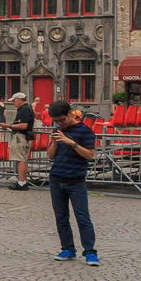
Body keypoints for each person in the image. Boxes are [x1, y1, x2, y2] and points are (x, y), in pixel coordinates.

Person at [46, 100, 99, 265]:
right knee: (61, 217)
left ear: (70, 114)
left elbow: (90, 155)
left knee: (82, 217)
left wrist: (71, 143)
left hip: (76, 181)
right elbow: (50, 155)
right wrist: (55, 141)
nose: (60, 123)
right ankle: (68, 248)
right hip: (56, 178)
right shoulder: (58, 130)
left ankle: (90, 252)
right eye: (56, 121)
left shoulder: (85, 131)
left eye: (62, 119)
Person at [1, 91, 36, 190]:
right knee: (22, 160)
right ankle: (22, 181)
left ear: (20, 100)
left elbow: (24, 125)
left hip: (21, 137)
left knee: (21, 160)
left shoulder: (24, 109)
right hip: (24, 137)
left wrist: (8, 125)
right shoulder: (26, 108)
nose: (13, 103)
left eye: (14, 101)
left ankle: (21, 182)